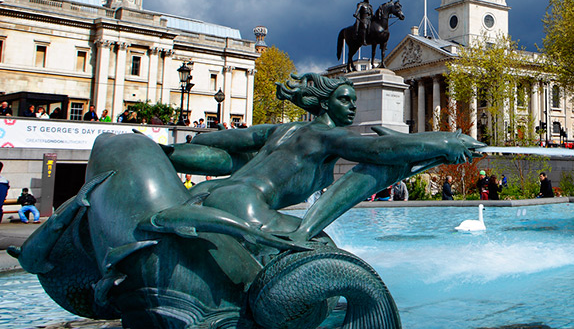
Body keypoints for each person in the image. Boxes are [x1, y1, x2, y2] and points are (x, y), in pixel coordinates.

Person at [160, 72, 482, 242]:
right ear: (325, 104)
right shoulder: (330, 136)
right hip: (246, 206)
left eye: (354, 100)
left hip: (208, 192)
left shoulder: (282, 129)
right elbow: (381, 151)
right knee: (322, 251)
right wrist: (444, 142)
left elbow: (225, 142)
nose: (353, 107)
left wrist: (178, 148)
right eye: (345, 100)